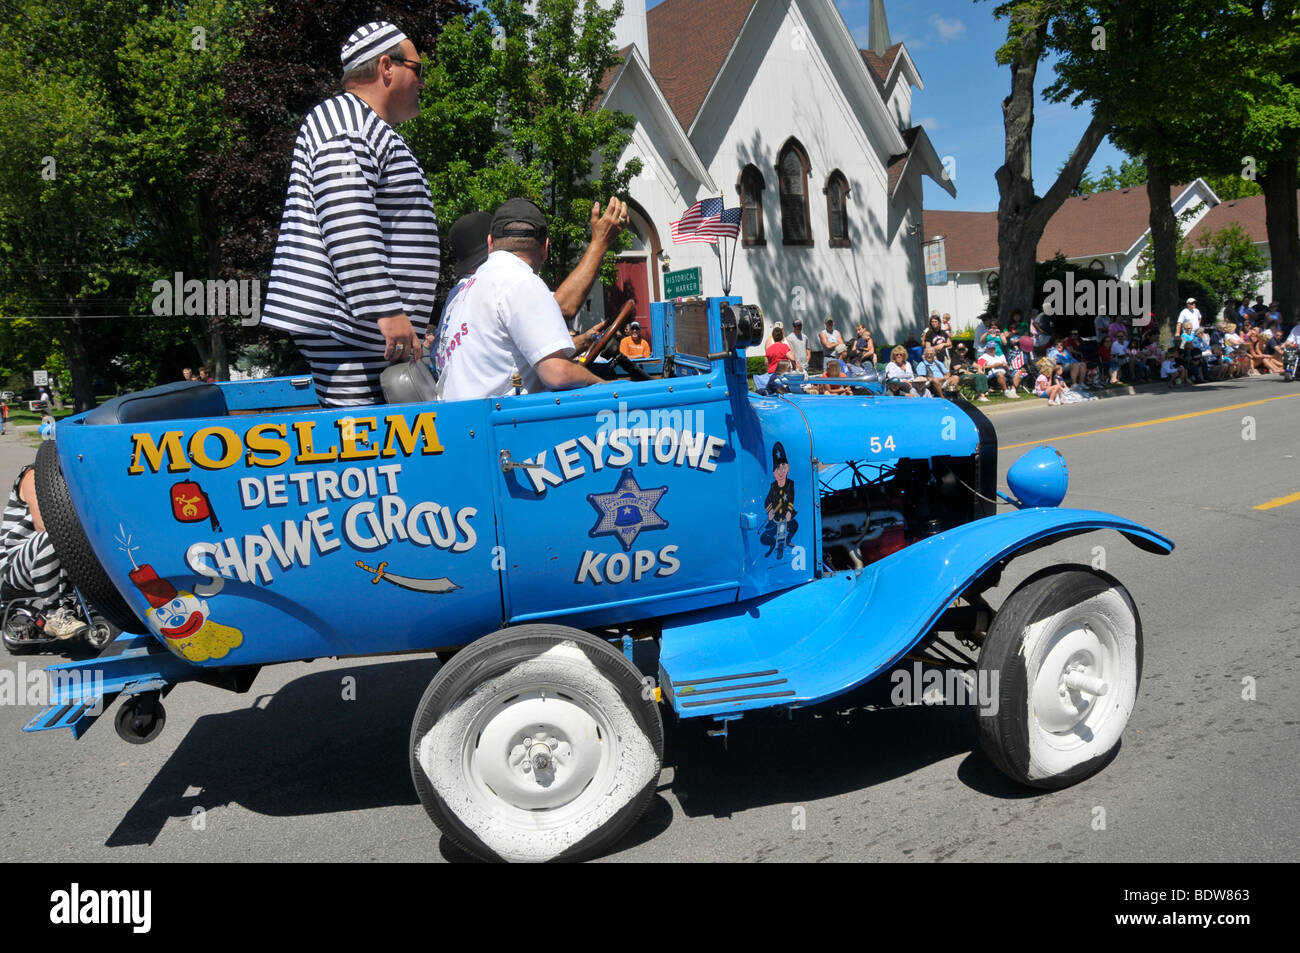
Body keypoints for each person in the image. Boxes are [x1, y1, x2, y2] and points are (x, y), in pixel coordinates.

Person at [262, 21, 439, 406]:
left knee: (378, 446)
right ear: (386, 67)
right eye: (418, 69)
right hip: (348, 331)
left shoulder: (360, 126)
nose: (423, 83)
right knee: (364, 445)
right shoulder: (347, 125)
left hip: (359, 332)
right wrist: (387, 310)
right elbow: (347, 219)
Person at [436, 198, 605, 401]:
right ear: (546, 248)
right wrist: (604, 385)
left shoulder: (463, 291)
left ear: (490, 243)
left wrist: (584, 341)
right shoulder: (521, 281)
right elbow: (557, 373)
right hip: (500, 424)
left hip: (462, 418)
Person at [0, 462, 86, 638]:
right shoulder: (34, 475)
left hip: (63, 556)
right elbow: (42, 525)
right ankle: (52, 612)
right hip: (19, 563)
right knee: (55, 532)